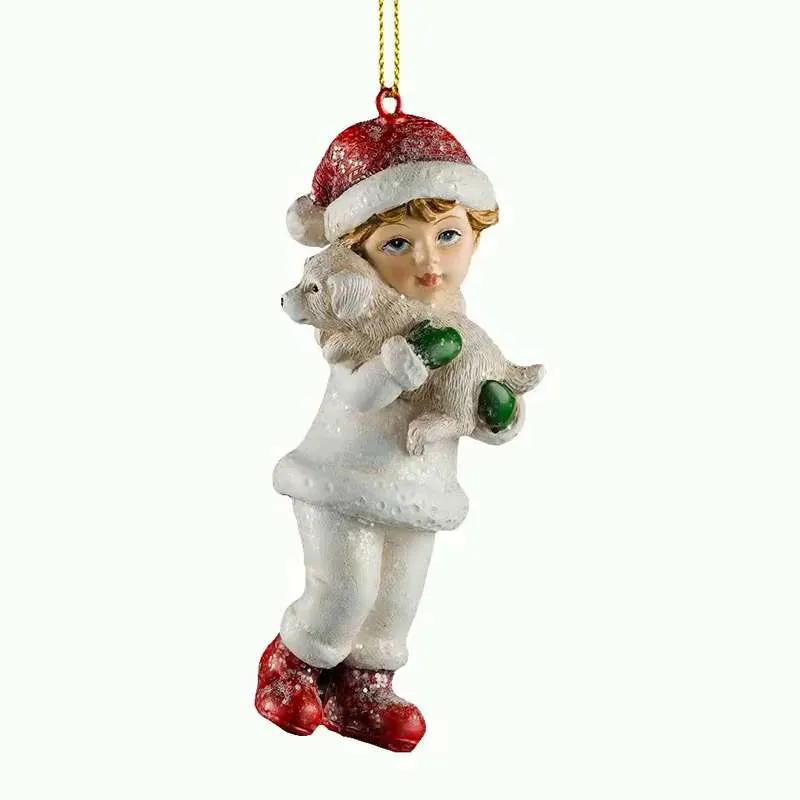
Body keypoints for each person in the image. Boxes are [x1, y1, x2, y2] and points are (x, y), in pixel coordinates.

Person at [256, 96, 529, 752]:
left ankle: (365, 687)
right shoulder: (356, 320)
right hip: (342, 482)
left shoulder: (461, 327)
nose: (429, 260)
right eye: (399, 243)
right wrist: (398, 367)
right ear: (359, 254)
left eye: (449, 236)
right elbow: (358, 393)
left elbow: (468, 400)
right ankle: (291, 667)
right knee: (345, 591)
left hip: (421, 489)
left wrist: (496, 416)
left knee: (396, 600)